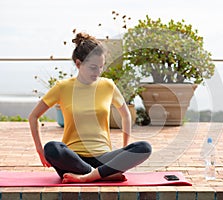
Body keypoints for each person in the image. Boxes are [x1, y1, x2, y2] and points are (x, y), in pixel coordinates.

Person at [29, 32, 152, 183]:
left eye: (101, 67)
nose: (98, 72)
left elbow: (126, 115)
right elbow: (33, 116)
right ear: (78, 64)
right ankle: (97, 175)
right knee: (52, 148)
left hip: (104, 159)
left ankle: (90, 176)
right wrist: (40, 151)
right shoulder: (63, 87)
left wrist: (122, 152)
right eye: (93, 67)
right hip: (73, 161)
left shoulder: (107, 85)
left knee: (144, 147)